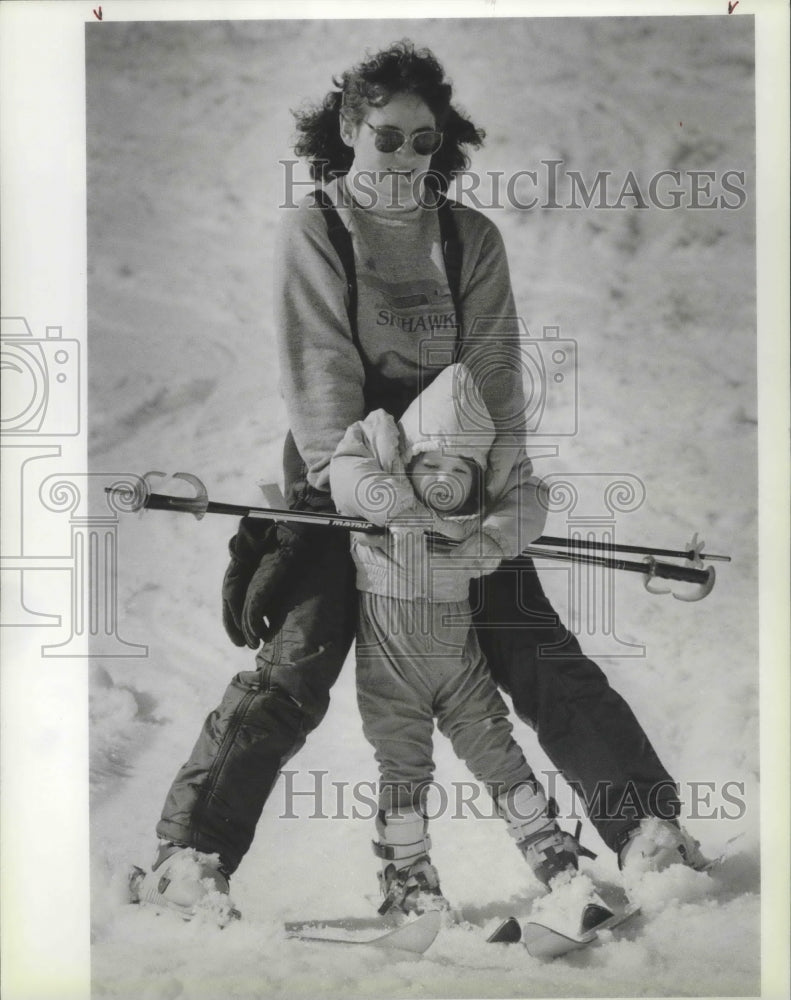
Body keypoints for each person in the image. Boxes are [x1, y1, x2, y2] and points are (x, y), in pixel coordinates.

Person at [131, 40, 707, 924]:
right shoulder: (317, 228)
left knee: (523, 636)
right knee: (304, 651)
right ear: (349, 131)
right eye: (386, 135)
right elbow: (319, 372)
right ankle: (190, 856)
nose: (404, 157)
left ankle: (646, 830)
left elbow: (494, 377)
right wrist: (369, 498)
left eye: (423, 140)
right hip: (348, 468)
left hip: (454, 463)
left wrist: (488, 498)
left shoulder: (469, 236)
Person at [329, 362, 603, 917]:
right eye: (429, 463)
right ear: (407, 460)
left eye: (458, 468)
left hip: (461, 668)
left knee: (497, 753)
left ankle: (554, 857)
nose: (442, 479)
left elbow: (529, 500)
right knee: (402, 766)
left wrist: (492, 543)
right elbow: (345, 469)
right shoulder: (385, 479)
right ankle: (409, 878)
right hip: (392, 670)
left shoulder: (475, 521)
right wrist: (385, 499)